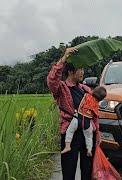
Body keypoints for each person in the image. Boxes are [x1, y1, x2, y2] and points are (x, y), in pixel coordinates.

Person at [47, 47, 101, 180]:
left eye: (83, 69)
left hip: (87, 133)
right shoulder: (61, 88)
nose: (83, 72)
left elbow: (93, 113)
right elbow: (51, 79)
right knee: (69, 171)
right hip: (70, 134)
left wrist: (97, 133)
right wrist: (64, 57)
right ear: (71, 71)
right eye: (80, 69)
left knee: (87, 171)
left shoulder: (86, 89)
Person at [61, 86, 107, 156]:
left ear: (93, 91)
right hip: (87, 122)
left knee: (69, 131)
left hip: (77, 119)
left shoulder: (86, 96)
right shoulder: (96, 105)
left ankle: (67, 146)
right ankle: (89, 149)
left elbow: (82, 95)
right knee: (89, 136)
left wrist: (84, 87)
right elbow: (96, 116)